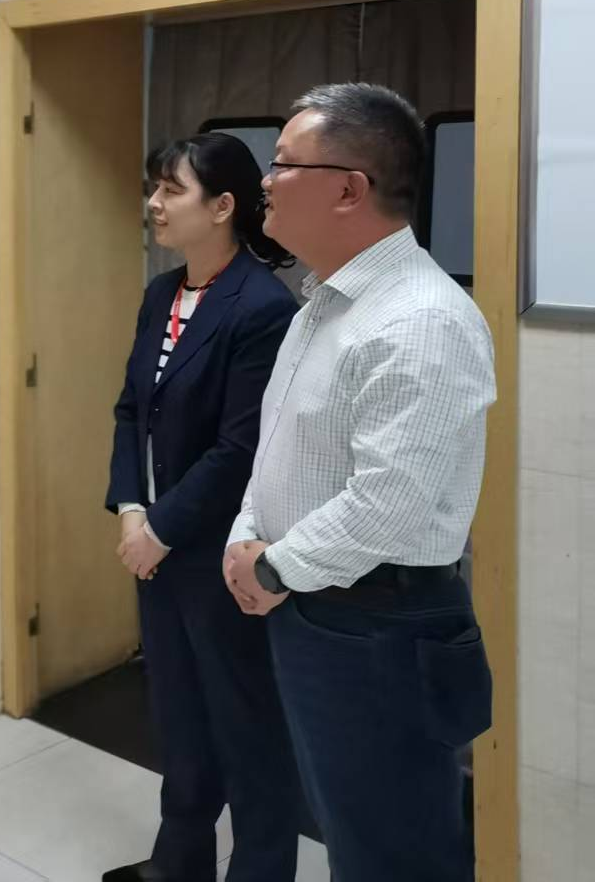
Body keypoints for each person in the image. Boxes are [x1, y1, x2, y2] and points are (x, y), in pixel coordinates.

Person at [223, 83, 495, 882]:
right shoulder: (322, 302)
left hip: (379, 623)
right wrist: (247, 535)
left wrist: (273, 565)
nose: (266, 180)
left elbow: (388, 504)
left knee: (393, 849)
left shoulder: (421, 318)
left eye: (284, 162)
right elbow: (280, 443)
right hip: (315, 605)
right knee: (352, 826)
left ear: (349, 188)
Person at [102, 133, 303, 882]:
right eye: (154, 187)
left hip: (224, 551)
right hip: (157, 545)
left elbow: (240, 447)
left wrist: (160, 526)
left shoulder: (263, 306)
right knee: (179, 713)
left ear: (222, 206)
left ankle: (260, 870)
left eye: (170, 189)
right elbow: (132, 410)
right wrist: (131, 508)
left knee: (247, 724)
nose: (154, 203)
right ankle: (180, 860)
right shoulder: (163, 293)